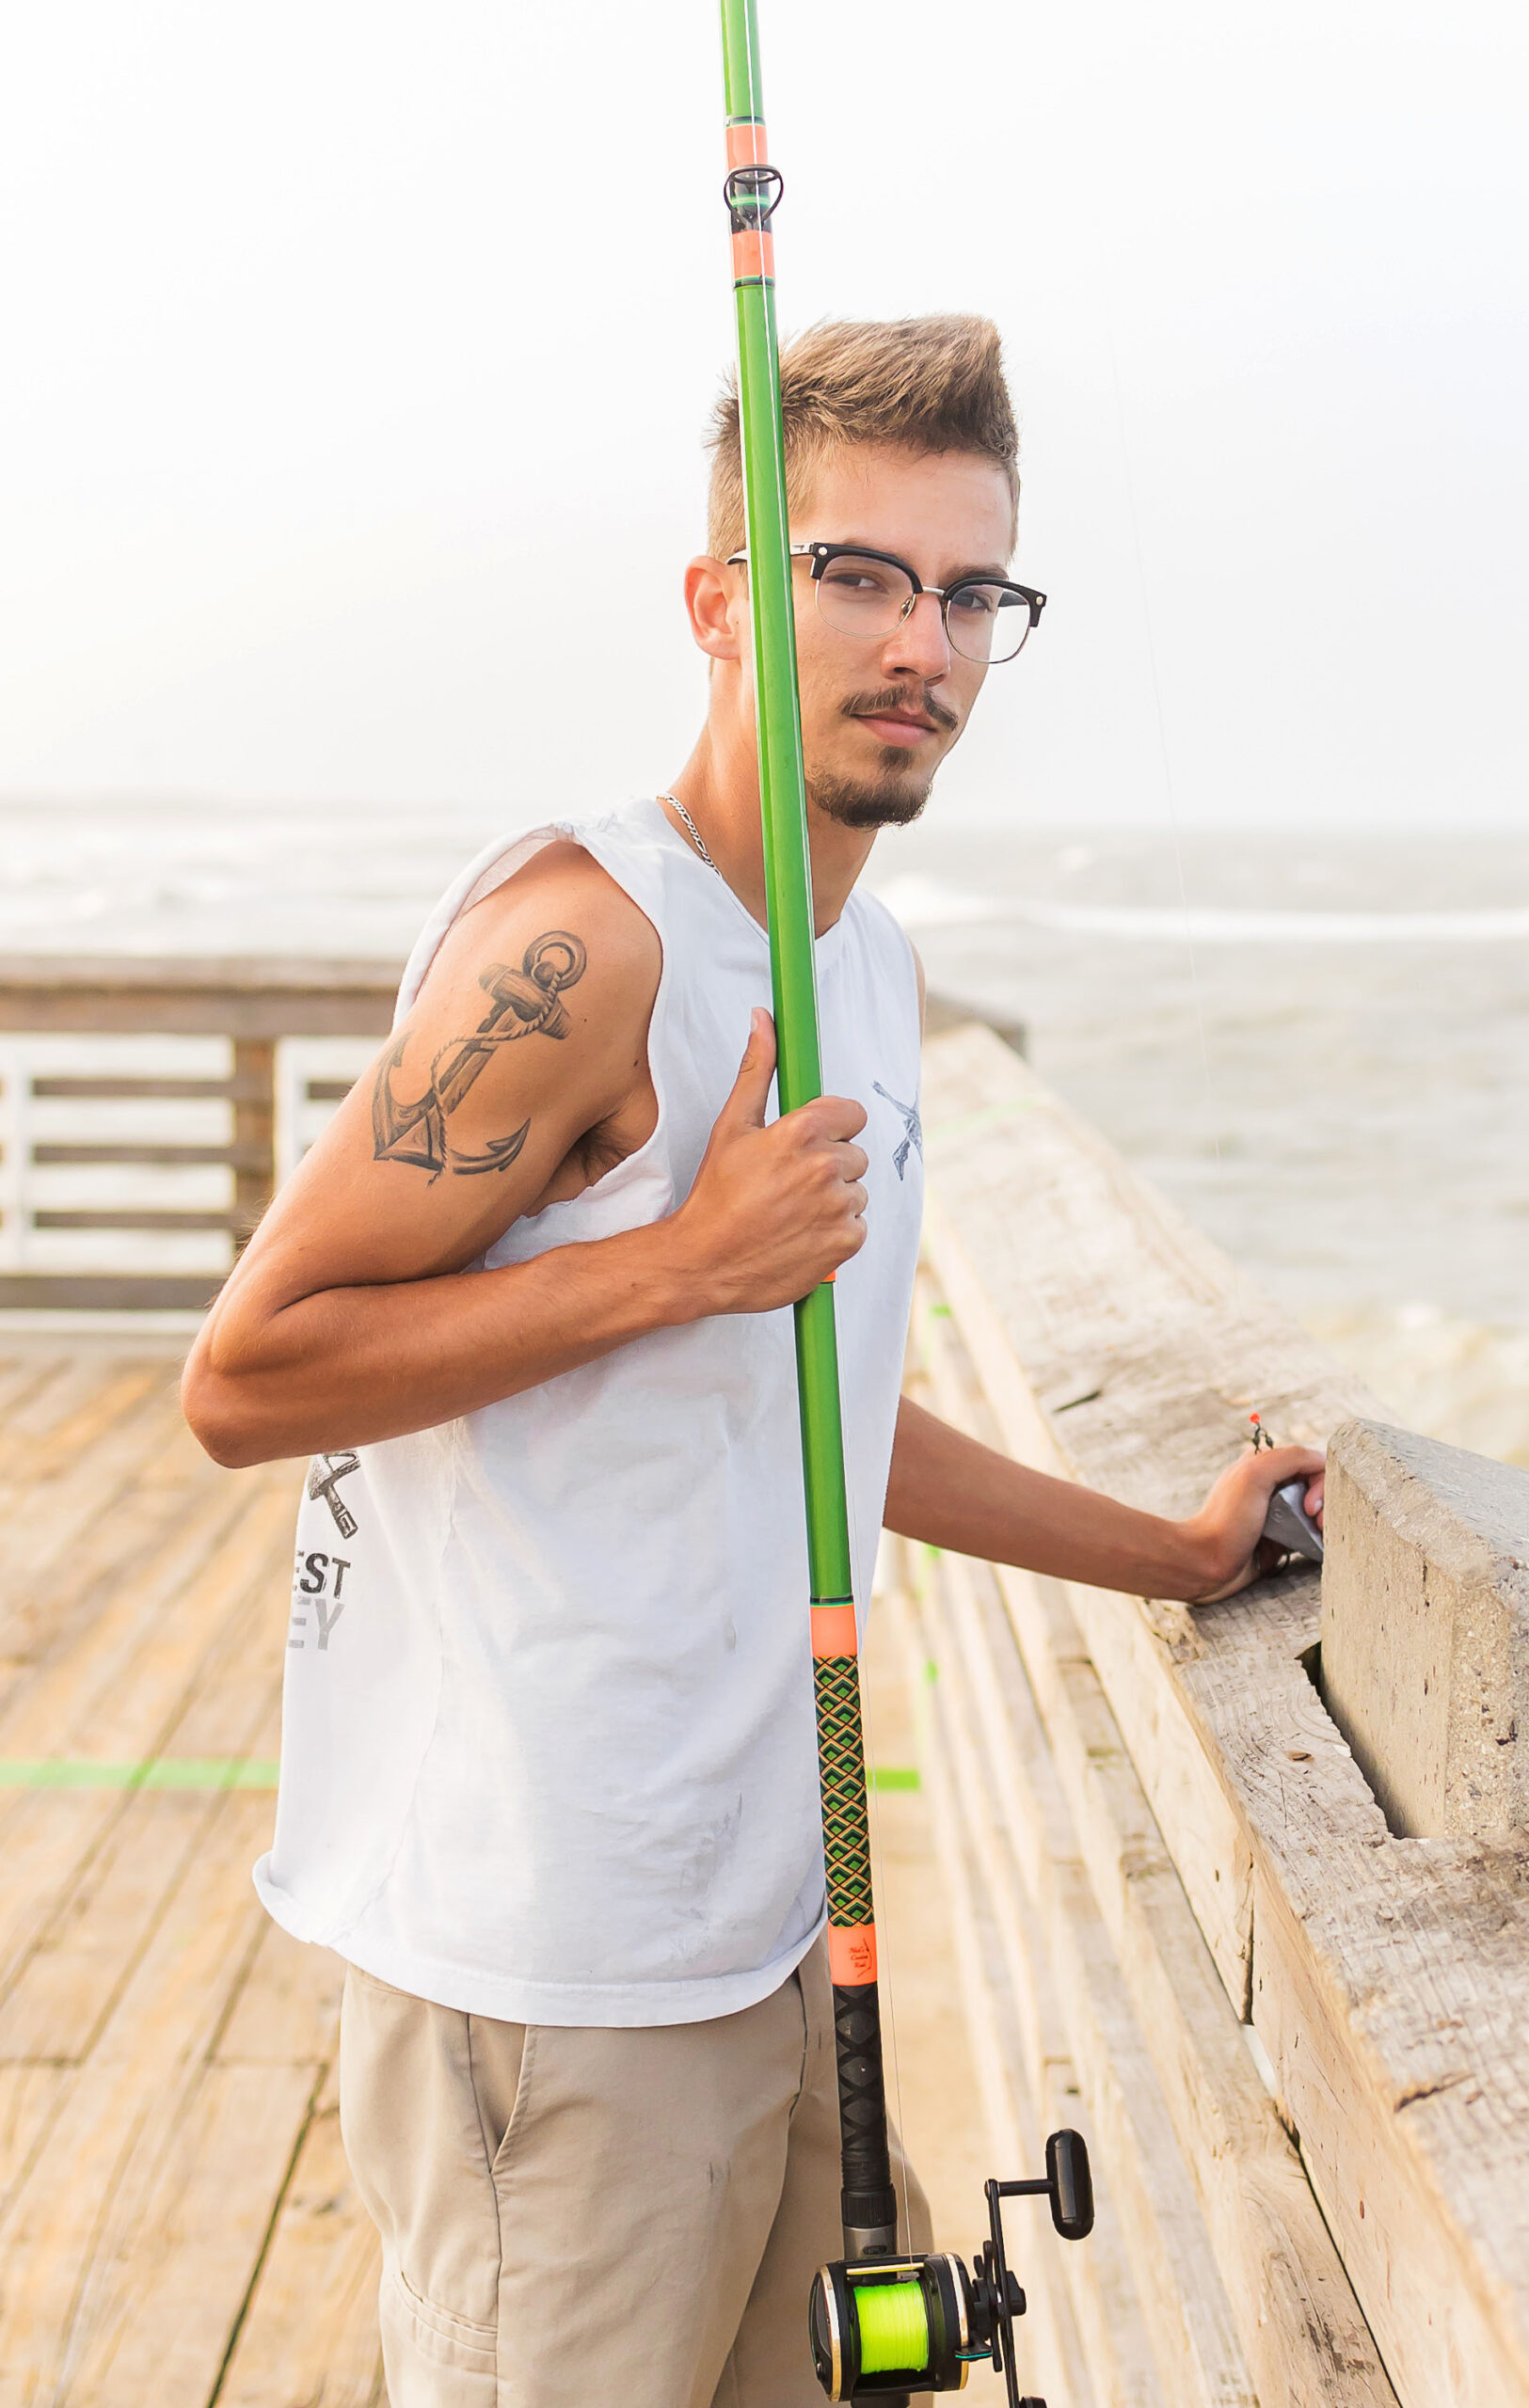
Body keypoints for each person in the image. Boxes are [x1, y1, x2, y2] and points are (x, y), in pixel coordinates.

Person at [182, 314, 1322, 2408]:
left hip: (768, 1917)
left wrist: (1168, 1555)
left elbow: (822, 1408)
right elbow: (247, 1374)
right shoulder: (582, 938)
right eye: (857, 575)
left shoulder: (863, 964)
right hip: (548, 1963)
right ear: (720, 601)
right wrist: (673, 1265)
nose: (923, 644)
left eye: (969, 589)